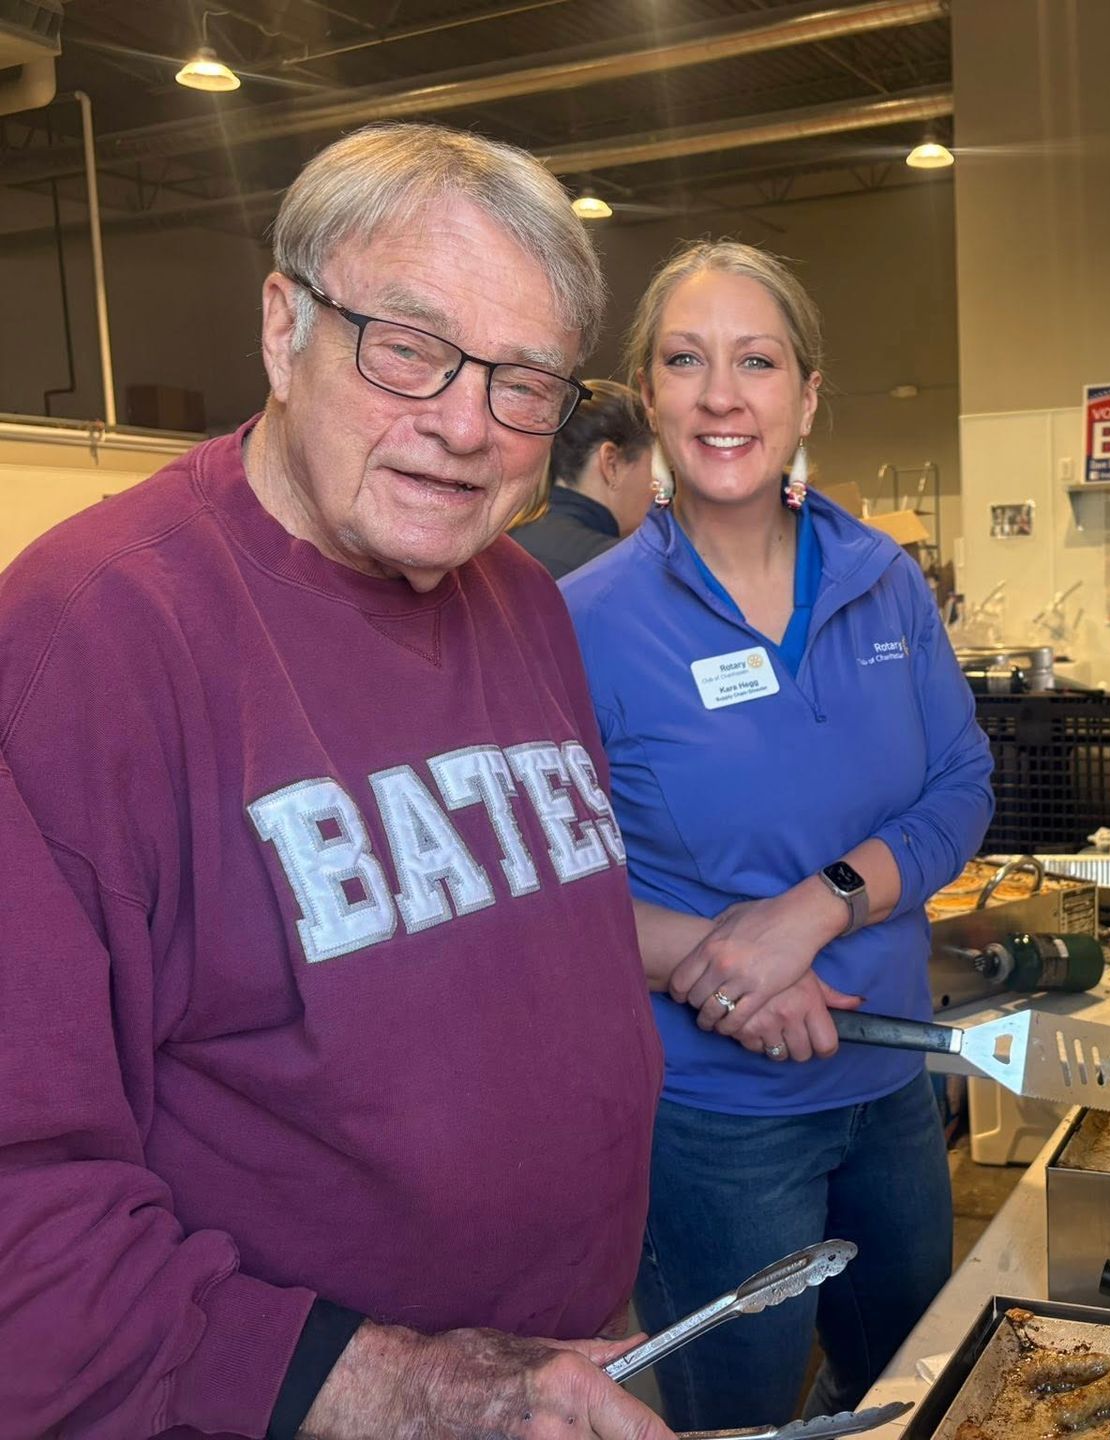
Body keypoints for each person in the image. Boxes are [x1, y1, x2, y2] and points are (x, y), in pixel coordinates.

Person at [0, 122, 669, 1439]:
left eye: (525, 381)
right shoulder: (87, 639)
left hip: (575, 1371)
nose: (466, 428)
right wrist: (410, 1391)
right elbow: (23, 1206)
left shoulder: (522, 600)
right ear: (281, 328)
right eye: (407, 349)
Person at [561, 241, 994, 1430]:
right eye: (686, 360)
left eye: (757, 362)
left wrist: (818, 906)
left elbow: (960, 783)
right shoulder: (583, 623)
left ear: (806, 396)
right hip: (713, 1126)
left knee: (908, 1397)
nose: (721, 394)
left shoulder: (883, 579)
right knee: (740, 1423)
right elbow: (550, 892)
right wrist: (731, 970)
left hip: (894, 1091)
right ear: (647, 396)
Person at [511, 378, 655, 578]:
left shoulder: (500, 540)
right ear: (611, 463)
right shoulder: (624, 567)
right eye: (652, 466)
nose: (655, 488)